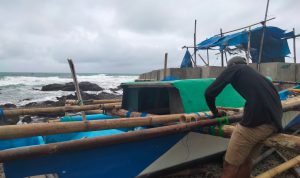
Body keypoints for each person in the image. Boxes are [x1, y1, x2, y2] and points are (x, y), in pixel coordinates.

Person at [204, 56, 282, 178]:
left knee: (229, 164)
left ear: (231, 65)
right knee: (246, 161)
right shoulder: (259, 76)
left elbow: (209, 93)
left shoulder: (235, 68)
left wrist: (215, 113)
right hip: (272, 124)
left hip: (255, 126)